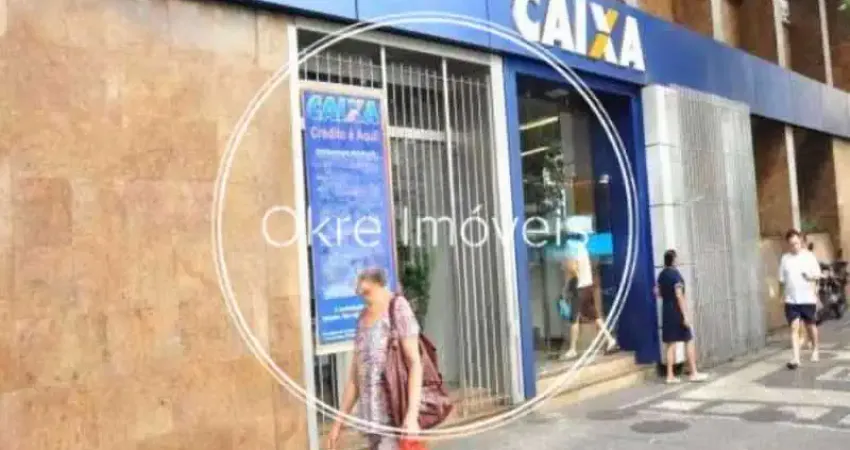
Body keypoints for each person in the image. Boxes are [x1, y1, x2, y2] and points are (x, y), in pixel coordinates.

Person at [328, 268, 423, 450]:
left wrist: (412, 416)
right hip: (371, 423)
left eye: (367, 292)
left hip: (395, 418)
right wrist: (338, 424)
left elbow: (414, 364)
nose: (364, 298)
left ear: (381, 285)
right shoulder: (362, 319)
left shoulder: (398, 308)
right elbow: (355, 379)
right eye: (360, 293)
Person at [656, 249, 708, 384]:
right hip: (677, 312)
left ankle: (670, 375)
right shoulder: (676, 276)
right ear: (673, 260)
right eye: (677, 259)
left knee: (670, 344)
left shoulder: (661, 275)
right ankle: (693, 372)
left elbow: (657, 293)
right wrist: (685, 315)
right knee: (688, 340)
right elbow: (679, 295)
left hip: (666, 311)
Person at [562, 240, 618, 359]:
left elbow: (572, 268)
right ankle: (610, 339)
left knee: (574, 319)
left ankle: (572, 349)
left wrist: (568, 284)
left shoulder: (571, 249)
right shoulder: (583, 250)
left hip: (579, 288)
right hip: (587, 286)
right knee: (595, 316)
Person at [778, 229, 822, 369]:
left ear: (801, 242)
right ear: (788, 244)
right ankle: (796, 358)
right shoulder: (785, 258)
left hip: (807, 298)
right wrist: (781, 295)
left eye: (796, 243)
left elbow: (818, 275)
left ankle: (815, 349)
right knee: (794, 327)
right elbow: (781, 280)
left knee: (810, 326)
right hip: (791, 300)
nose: (794, 247)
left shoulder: (809, 256)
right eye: (791, 244)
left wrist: (809, 278)